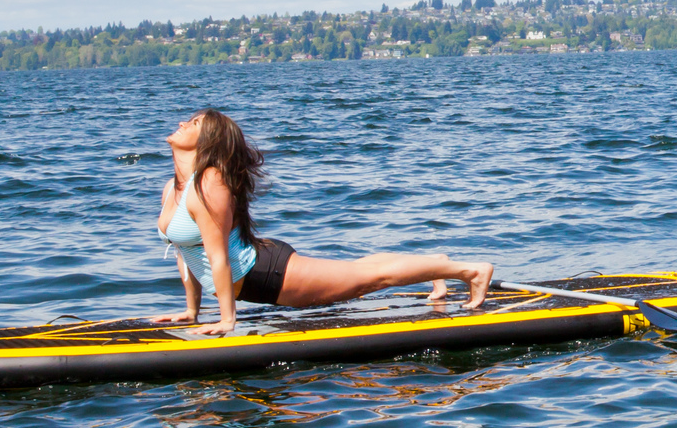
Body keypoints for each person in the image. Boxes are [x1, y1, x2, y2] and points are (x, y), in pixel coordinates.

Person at [154, 109, 493, 335]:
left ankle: (471, 271)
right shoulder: (174, 187)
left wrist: (228, 320)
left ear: (209, 142)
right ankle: (436, 265)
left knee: (367, 279)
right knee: (359, 270)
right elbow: (186, 251)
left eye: (194, 123)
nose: (183, 123)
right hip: (256, 272)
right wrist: (191, 311)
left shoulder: (210, 183)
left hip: (266, 276)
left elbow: (217, 258)